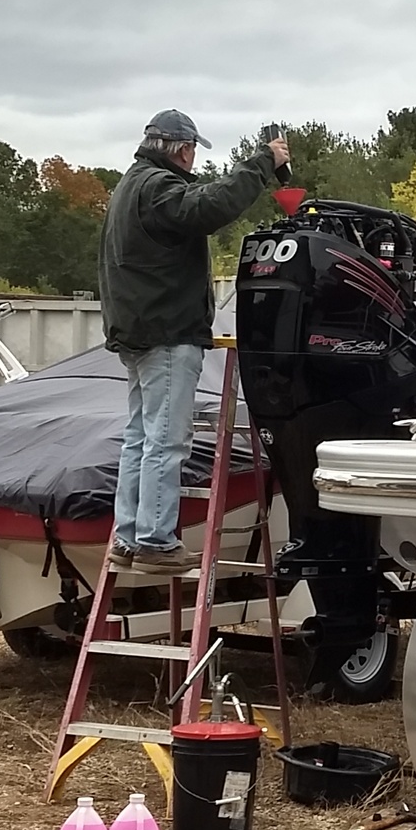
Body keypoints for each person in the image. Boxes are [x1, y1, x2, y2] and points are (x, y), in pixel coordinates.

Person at [99, 110, 290, 572]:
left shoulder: (131, 186)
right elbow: (209, 207)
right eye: (191, 153)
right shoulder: (159, 189)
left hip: (136, 331)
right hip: (166, 332)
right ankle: (156, 542)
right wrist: (263, 161)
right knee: (166, 441)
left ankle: (128, 537)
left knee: (140, 437)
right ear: (183, 149)